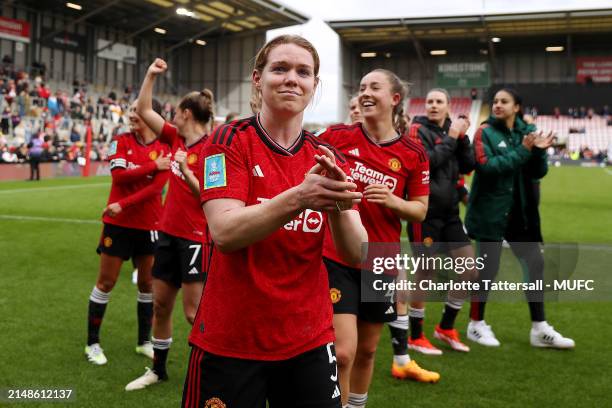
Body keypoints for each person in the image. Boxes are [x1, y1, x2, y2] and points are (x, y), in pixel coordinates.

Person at [182, 35, 367, 408]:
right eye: (279, 68)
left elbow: (357, 252)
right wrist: (301, 197)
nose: (291, 79)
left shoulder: (326, 157)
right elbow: (225, 232)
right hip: (232, 340)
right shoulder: (226, 142)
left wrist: (336, 207)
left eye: (304, 72)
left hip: (307, 339)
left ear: (315, 85)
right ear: (257, 78)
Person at [318, 69, 439, 408]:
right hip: (337, 256)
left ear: (395, 99)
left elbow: (419, 211)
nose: (365, 93)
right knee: (343, 352)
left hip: (381, 259)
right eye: (361, 88)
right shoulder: (337, 136)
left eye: (375, 87)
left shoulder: (413, 154)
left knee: (368, 350)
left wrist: (392, 201)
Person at [125, 59, 214, 390]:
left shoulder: (213, 148)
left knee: (194, 314)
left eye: (176, 110)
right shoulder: (175, 137)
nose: (172, 115)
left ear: (187, 113)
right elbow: (145, 109)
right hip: (167, 235)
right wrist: (150, 75)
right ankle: (158, 370)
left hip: (195, 241)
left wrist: (188, 174)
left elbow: (211, 196)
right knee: (161, 305)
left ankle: (209, 370)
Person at [465, 88, 574, 349]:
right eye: (495, 102)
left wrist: (537, 151)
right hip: (490, 212)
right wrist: (525, 150)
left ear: (517, 107)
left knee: (535, 264)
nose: (498, 105)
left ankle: (539, 328)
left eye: (504, 101)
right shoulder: (484, 132)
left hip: (520, 214)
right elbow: (487, 167)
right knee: (488, 270)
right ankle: (476, 324)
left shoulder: (528, 132)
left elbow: (538, 171)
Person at [85, 99, 170, 365]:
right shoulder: (120, 141)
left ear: (151, 114)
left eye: (137, 110)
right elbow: (119, 177)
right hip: (118, 226)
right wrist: (152, 168)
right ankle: (92, 344)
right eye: (131, 110)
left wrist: (123, 203)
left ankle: (143, 342)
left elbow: (156, 190)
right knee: (106, 282)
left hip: (149, 226)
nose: (132, 114)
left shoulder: (165, 146)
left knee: (147, 285)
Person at [400, 88, 476, 356]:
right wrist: (453, 136)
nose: (433, 105)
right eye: (429, 100)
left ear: (448, 105)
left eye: (438, 101)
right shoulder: (416, 130)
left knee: (468, 270)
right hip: (425, 212)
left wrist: (462, 136)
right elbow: (426, 163)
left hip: (451, 212)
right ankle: (416, 336)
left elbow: (468, 166)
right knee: (426, 273)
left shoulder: (451, 131)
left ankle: (445, 328)